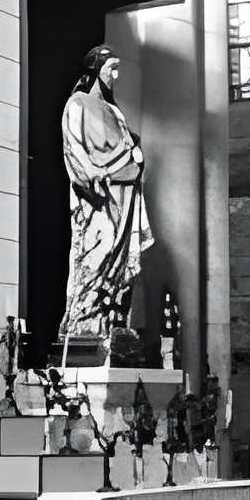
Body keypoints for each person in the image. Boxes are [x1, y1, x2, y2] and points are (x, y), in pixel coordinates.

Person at [57, 46, 152, 348]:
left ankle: (112, 327)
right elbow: (73, 148)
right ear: (95, 69)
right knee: (96, 257)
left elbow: (130, 150)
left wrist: (135, 162)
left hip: (125, 197)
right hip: (98, 201)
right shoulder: (78, 104)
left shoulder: (115, 112)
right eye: (111, 67)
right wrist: (96, 175)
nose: (116, 74)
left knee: (120, 268)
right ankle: (84, 329)